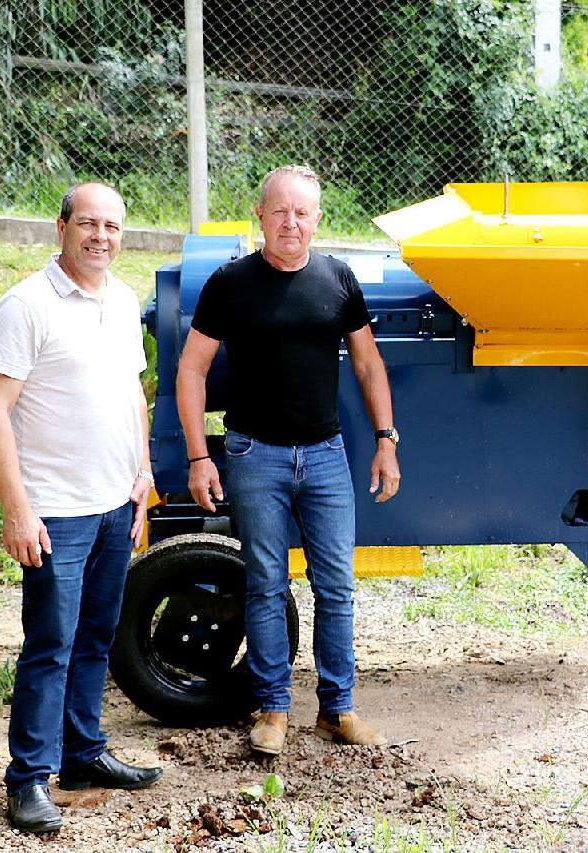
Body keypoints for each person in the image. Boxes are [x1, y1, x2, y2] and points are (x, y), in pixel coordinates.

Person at [176, 164, 400, 756]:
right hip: (254, 456)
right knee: (267, 583)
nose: (290, 223)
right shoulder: (229, 284)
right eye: (280, 211)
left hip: (326, 456)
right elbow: (191, 370)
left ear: (317, 219)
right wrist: (201, 455)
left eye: (302, 213)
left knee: (337, 586)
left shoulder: (338, 279)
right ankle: (272, 708)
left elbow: (369, 365)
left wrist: (386, 439)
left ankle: (337, 709)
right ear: (260, 215)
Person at [0, 182, 163, 833]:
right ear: (61, 227)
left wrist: (141, 473)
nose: (101, 237)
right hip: (55, 511)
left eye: (112, 226)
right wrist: (17, 508)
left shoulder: (123, 300)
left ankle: (82, 754)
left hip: (116, 504)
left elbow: (135, 395)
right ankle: (28, 777)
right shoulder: (25, 305)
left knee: (95, 636)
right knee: (50, 643)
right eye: (89, 224)